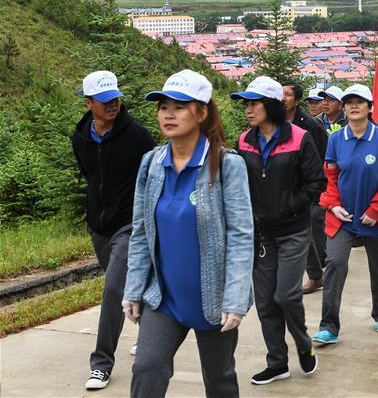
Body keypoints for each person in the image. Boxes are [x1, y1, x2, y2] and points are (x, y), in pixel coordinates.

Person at [124, 70, 254, 398]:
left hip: (214, 299)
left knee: (220, 380)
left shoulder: (226, 165)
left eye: (180, 106)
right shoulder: (151, 164)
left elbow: (241, 236)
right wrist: (134, 287)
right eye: (163, 105)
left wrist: (236, 299)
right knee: (146, 367)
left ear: (202, 112)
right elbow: (141, 231)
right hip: (164, 297)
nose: (168, 113)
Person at [232, 76, 326, 384]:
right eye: (246, 104)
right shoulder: (244, 140)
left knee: (286, 295)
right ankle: (277, 362)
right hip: (261, 235)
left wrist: (288, 205)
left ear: (272, 105)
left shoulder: (300, 138)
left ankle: (302, 343)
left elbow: (316, 184)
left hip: (293, 230)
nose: (248, 109)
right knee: (266, 302)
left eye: (254, 103)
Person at [71, 71, 156, 391]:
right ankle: (151, 332)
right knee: (130, 284)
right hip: (99, 225)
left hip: (130, 223)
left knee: (113, 289)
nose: (113, 105)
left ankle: (101, 363)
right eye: (105, 101)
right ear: (89, 102)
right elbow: (90, 176)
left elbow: (152, 177)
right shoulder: (79, 137)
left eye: (116, 99)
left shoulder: (137, 136)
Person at [313, 85, 378, 343]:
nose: (353, 106)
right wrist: (333, 204)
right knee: (335, 264)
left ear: (369, 107)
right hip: (343, 217)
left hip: (375, 217)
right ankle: (329, 326)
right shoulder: (336, 139)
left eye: (359, 102)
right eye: (349, 102)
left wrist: (375, 210)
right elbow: (331, 175)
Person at [281, 81, 329, 295]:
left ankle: (315, 273)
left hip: (306, 186)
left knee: (306, 227)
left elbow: (320, 159)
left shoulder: (311, 125)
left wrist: (315, 190)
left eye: (288, 95)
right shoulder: (274, 122)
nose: (283, 98)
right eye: (280, 94)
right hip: (283, 184)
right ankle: (316, 273)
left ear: (296, 100)